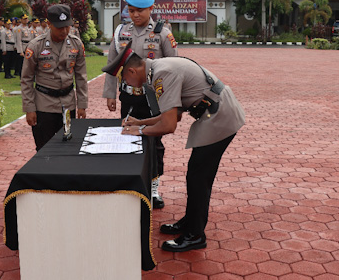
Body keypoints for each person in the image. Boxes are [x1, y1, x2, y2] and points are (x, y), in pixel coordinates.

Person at [103, 42, 245, 252]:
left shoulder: (162, 74)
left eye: (124, 80)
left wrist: (139, 130)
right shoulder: (156, 70)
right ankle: (190, 223)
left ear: (132, 71)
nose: (128, 84)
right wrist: (140, 123)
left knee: (199, 177)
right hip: (212, 112)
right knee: (195, 175)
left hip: (220, 116)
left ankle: (195, 235)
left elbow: (169, 125)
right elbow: (173, 114)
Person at [103, 0, 179, 209]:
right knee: (128, 137)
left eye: (140, 11)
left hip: (154, 98)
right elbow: (112, 64)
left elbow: (174, 68)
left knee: (154, 142)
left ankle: (154, 188)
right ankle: (131, 184)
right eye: (131, 10)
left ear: (151, 9)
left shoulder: (162, 33)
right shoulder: (121, 32)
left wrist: (171, 100)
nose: (135, 15)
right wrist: (110, 94)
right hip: (128, 95)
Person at [21, 4, 88, 150]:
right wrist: (29, 108)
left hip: (68, 104)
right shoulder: (36, 46)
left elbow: (81, 76)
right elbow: (26, 79)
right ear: (49, 24)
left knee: (68, 147)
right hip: (44, 105)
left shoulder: (76, 43)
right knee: (44, 149)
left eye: (67, 26)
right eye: (59, 27)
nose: (64, 31)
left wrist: (82, 104)